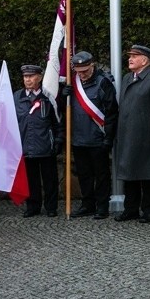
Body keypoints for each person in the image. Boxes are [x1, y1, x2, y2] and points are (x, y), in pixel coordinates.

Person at [115, 44, 150, 224]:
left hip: (146, 136)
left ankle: (149, 209)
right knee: (129, 173)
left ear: (144, 60)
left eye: (134, 56)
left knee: (148, 174)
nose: (130, 59)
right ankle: (131, 208)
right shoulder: (127, 78)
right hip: (128, 135)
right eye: (130, 56)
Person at [62, 51, 118, 219]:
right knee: (84, 174)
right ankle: (88, 204)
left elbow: (112, 112)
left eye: (85, 70)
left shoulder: (103, 83)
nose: (82, 74)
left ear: (92, 65)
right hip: (78, 138)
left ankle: (102, 206)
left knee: (101, 174)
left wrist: (108, 137)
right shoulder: (73, 83)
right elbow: (63, 111)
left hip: (97, 138)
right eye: (79, 71)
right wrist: (62, 97)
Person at [15, 64, 61, 217]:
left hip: (45, 145)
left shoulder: (48, 97)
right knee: (31, 180)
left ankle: (51, 207)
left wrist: (58, 140)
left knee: (50, 180)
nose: (27, 79)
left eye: (31, 76)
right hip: (25, 146)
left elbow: (57, 122)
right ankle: (33, 206)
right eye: (25, 76)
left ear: (39, 78)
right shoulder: (17, 97)